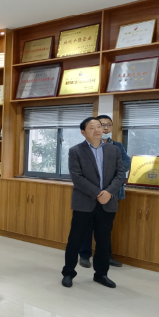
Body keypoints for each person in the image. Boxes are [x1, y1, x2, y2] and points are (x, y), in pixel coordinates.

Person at [62, 117, 126, 289]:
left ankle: (101, 274)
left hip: (107, 203)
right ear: (83, 132)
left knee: (103, 241)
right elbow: (77, 177)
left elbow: (121, 174)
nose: (98, 130)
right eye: (92, 127)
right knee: (75, 239)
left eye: (99, 126)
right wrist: (98, 193)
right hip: (84, 202)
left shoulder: (114, 150)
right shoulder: (75, 151)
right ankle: (68, 273)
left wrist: (109, 192)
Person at [79, 114, 131, 269]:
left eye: (109, 125)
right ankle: (84, 255)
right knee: (87, 226)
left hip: (111, 193)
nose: (106, 128)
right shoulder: (85, 147)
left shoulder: (117, 146)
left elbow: (126, 164)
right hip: (90, 194)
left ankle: (106, 256)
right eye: (102, 125)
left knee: (105, 229)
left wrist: (108, 177)